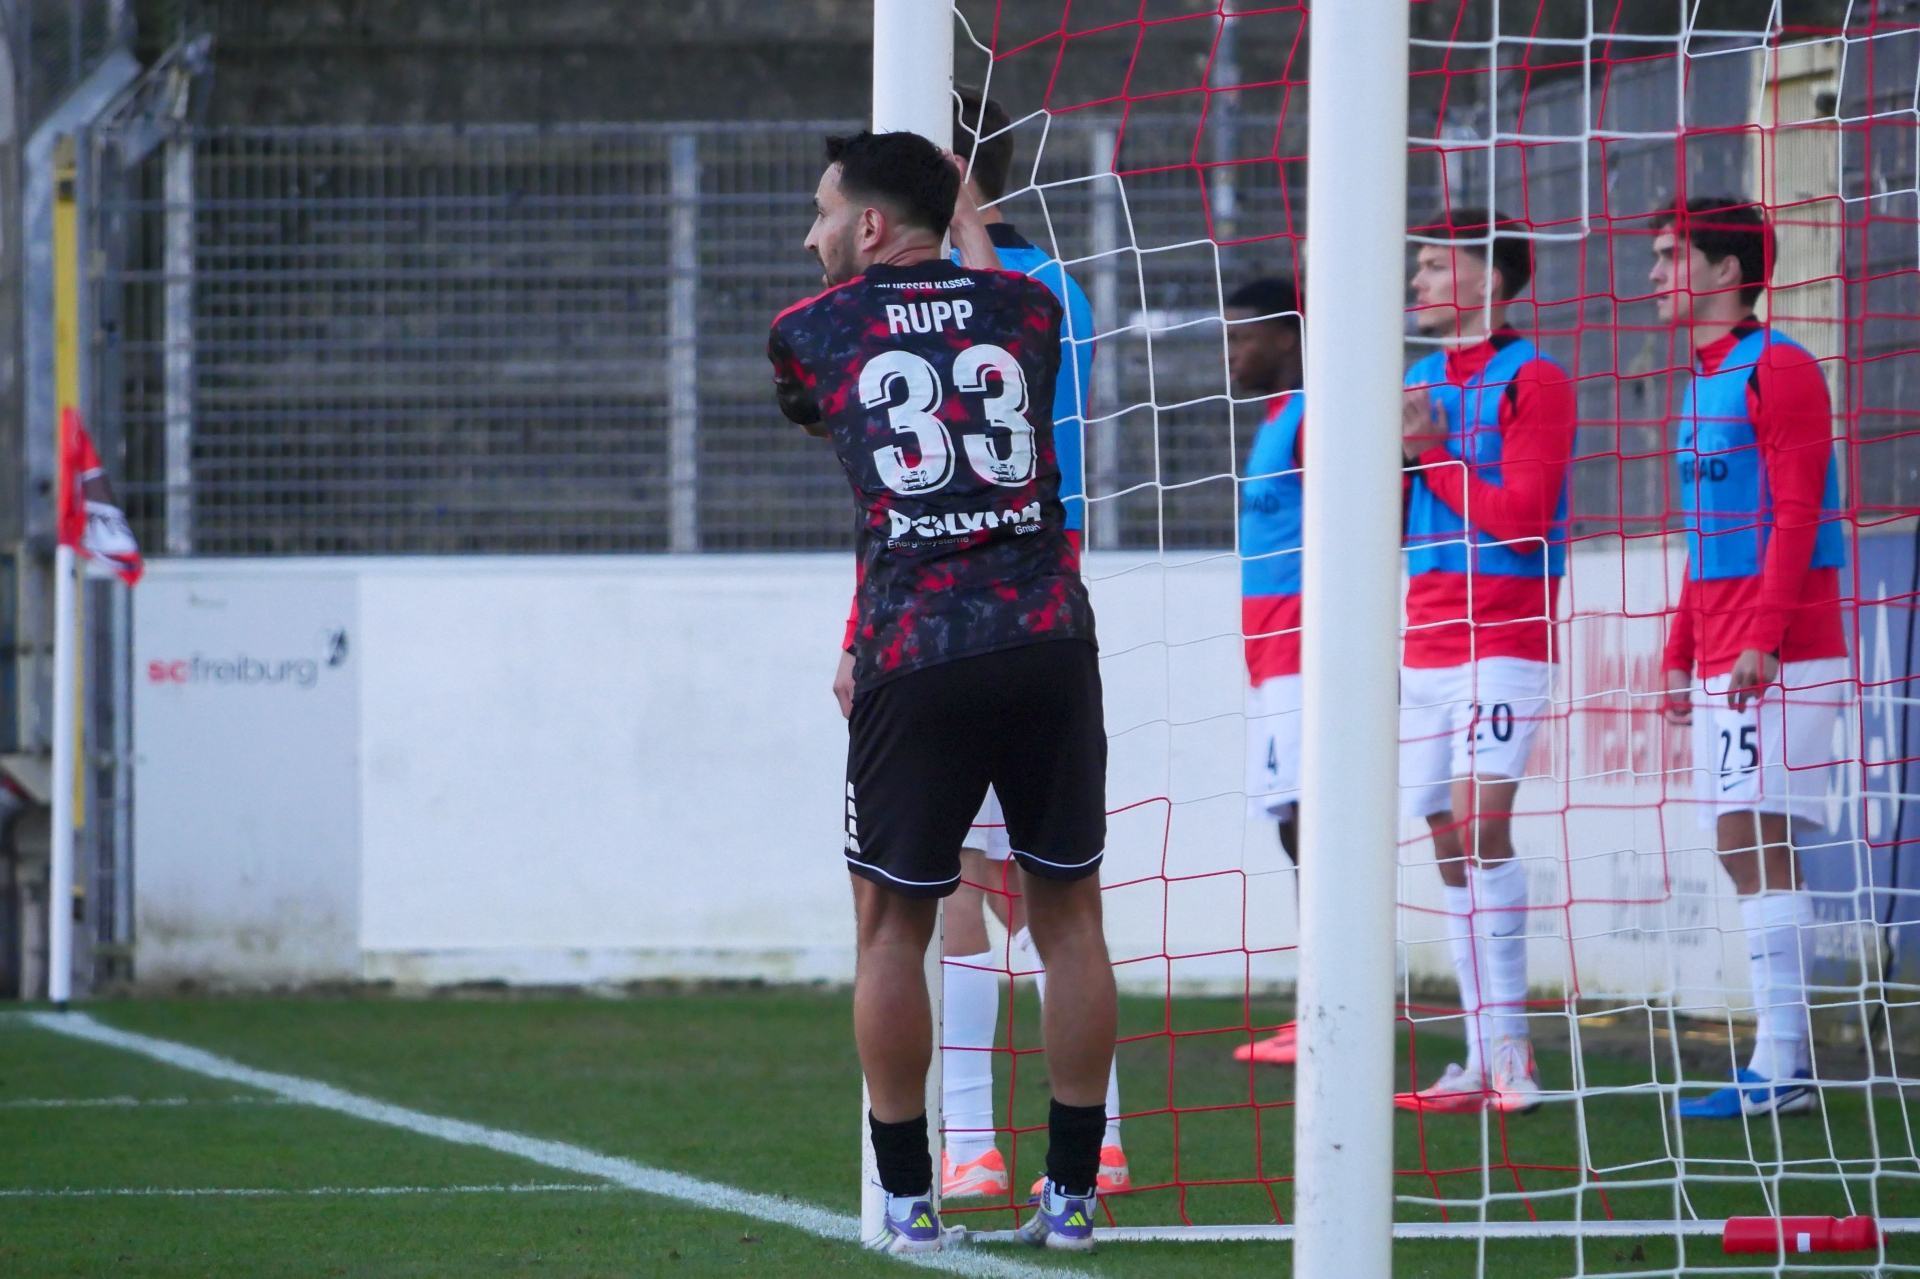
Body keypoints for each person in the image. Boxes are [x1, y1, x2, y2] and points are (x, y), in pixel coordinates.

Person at [770, 128, 1116, 1254]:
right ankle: (1073, 1198)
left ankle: (913, 1203)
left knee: (891, 924)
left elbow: (822, 407)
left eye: (825, 212)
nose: (812, 235)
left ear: (871, 226)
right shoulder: (1029, 309)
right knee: (1069, 915)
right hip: (1047, 635)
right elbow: (981, 293)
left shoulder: (811, 329)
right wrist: (964, 215)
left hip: (916, 646)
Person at [1654, 198, 1848, 1120]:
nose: (1655, 274)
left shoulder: (1781, 367)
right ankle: (1781, 1063)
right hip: (1725, 651)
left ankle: (1782, 1066)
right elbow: (1709, 535)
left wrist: (1764, 637)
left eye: (1671, 255)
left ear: (1726, 271)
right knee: (1744, 843)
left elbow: (1798, 514)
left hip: (1781, 651)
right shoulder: (1702, 378)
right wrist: (1679, 645)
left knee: (1751, 839)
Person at [1392, 209, 1575, 1116]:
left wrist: (1429, 453)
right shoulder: (1418, 378)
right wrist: (1401, 460)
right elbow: (1399, 514)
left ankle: (1513, 1050)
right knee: (1444, 834)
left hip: (1503, 636)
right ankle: (1475, 1053)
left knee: (1480, 825)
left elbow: (1526, 519)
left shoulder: (1534, 377)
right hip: (1423, 637)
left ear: (1488, 280)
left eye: (1435, 265)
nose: (1418, 282)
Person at [1221, 275, 1309, 1068]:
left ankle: (1330, 999)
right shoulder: (1279, 417)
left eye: (1242, 336)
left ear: (1286, 337)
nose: (1232, 352)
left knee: (1308, 821)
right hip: (1272, 652)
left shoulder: (1316, 417)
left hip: (1307, 652)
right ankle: (1322, 996)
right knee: (1292, 822)